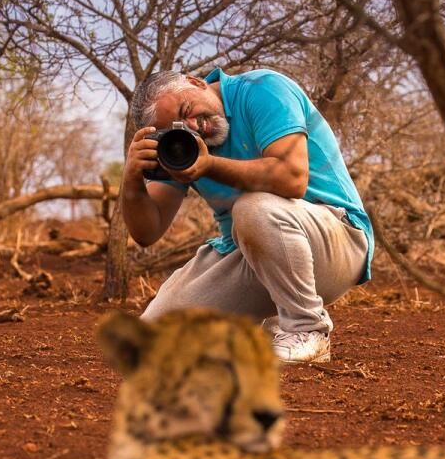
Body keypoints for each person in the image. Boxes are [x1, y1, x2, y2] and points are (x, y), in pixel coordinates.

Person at [119, 68, 374, 364]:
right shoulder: (181, 148)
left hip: (337, 239)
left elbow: (292, 178)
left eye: (187, 110)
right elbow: (146, 233)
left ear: (196, 82)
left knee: (251, 207)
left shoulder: (263, 88)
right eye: (178, 128)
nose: (193, 127)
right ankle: (268, 327)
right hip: (253, 258)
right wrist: (132, 178)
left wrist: (209, 165)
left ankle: (306, 329)